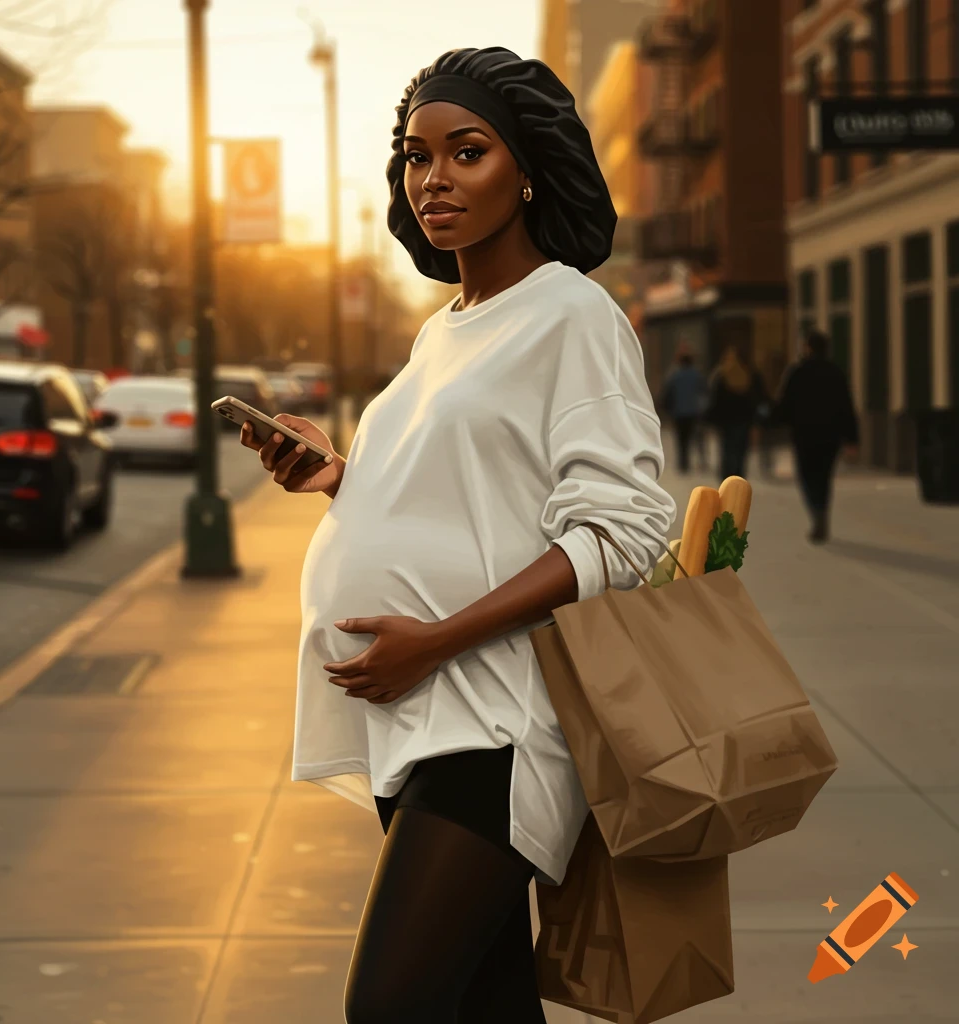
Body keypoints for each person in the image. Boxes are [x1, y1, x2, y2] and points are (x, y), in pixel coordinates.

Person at [239, 46, 676, 1023]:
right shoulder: (443, 329)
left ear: (526, 171)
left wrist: (435, 639)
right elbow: (468, 492)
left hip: (499, 720)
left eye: (466, 151)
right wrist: (337, 476)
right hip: (418, 716)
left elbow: (624, 529)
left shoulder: (571, 314)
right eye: (416, 156)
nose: (433, 177)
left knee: (389, 1006)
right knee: (482, 1006)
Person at [771, 329, 859, 542]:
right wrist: (852, 438)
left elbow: (785, 403)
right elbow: (846, 406)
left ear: (807, 348)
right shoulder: (835, 373)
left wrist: (775, 423)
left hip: (804, 434)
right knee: (824, 477)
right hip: (830, 435)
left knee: (807, 476)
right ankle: (822, 512)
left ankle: (816, 512)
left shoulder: (797, 372)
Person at [705, 344, 767, 480]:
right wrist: (758, 420)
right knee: (740, 453)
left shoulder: (721, 375)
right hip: (745, 421)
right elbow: (760, 398)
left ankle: (726, 480)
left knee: (727, 452)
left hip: (725, 423)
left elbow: (714, 400)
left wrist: (712, 420)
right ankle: (738, 480)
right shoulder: (752, 375)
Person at [661, 349, 708, 473]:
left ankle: (683, 463)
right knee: (693, 437)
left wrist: (668, 408)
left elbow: (668, 393)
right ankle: (697, 461)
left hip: (678, 412)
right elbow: (704, 391)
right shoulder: (697, 375)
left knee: (681, 439)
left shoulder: (675, 376)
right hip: (693, 412)